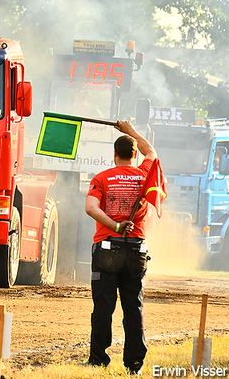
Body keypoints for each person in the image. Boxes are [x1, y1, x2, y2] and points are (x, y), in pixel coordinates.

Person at [84, 120, 157, 375]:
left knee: (103, 305)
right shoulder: (145, 174)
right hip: (136, 250)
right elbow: (152, 153)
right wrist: (130, 130)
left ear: (114, 154)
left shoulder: (102, 178)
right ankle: (134, 363)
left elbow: (91, 208)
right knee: (133, 307)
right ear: (134, 155)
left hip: (106, 248)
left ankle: (98, 359)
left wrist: (115, 226)